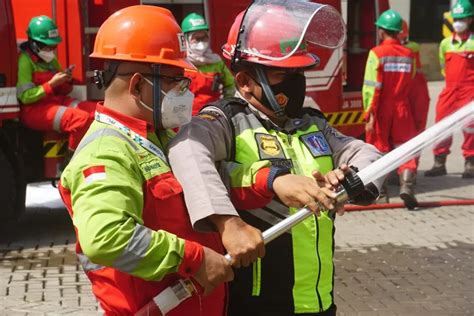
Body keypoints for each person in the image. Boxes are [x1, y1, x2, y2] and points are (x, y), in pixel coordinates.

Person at [168, 2, 383, 315]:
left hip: (318, 301)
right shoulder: (226, 121)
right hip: (257, 304)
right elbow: (186, 150)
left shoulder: (312, 122)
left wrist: (350, 179)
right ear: (244, 82)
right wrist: (228, 223)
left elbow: (364, 152)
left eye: (300, 72)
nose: (296, 83)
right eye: (284, 74)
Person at [57, 6, 233, 315]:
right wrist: (193, 259)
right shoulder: (106, 151)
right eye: (174, 81)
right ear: (138, 85)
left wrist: (269, 179)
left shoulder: (159, 135)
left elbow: (208, 175)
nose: (184, 91)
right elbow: (107, 237)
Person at [362, 9, 418, 209]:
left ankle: (382, 193)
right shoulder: (409, 54)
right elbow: (411, 81)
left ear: (382, 31)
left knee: (378, 149)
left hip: (382, 108)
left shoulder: (376, 53)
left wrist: (369, 114)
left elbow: (371, 87)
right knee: (406, 147)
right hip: (402, 106)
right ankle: (407, 186)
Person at [17, 15, 96, 151]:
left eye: (53, 47)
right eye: (49, 47)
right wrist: (51, 84)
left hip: (55, 102)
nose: (51, 51)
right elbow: (24, 97)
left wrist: (66, 80)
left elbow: (64, 91)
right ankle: (72, 160)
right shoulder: (25, 61)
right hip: (34, 110)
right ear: (35, 43)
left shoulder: (51, 60)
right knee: (80, 119)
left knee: (96, 112)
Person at [425, 0, 474, 178]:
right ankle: (440, 163)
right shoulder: (445, 43)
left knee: (470, 128)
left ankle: (470, 164)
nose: (458, 22)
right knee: (441, 125)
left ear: (470, 19)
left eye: (462, 18)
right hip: (450, 90)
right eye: (456, 18)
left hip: (470, 91)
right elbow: (443, 66)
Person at [181, 12, 235, 115]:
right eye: (196, 38)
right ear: (186, 39)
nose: (201, 42)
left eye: (204, 38)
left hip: (213, 116)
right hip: (186, 118)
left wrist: (226, 105)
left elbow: (230, 85)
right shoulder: (181, 63)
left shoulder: (217, 62)